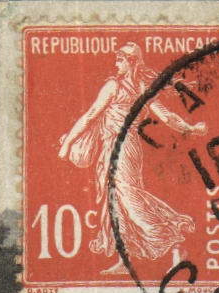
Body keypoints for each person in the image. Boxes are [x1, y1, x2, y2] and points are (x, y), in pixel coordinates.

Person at [58, 43, 206, 274]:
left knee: (128, 198)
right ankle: (125, 259)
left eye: (120, 60)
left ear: (132, 62)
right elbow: (166, 117)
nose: (116, 64)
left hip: (123, 149)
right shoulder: (140, 87)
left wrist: (67, 143)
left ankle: (172, 234)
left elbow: (90, 116)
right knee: (116, 202)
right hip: (116, 148)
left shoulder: (116, 87)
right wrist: (191, 127)